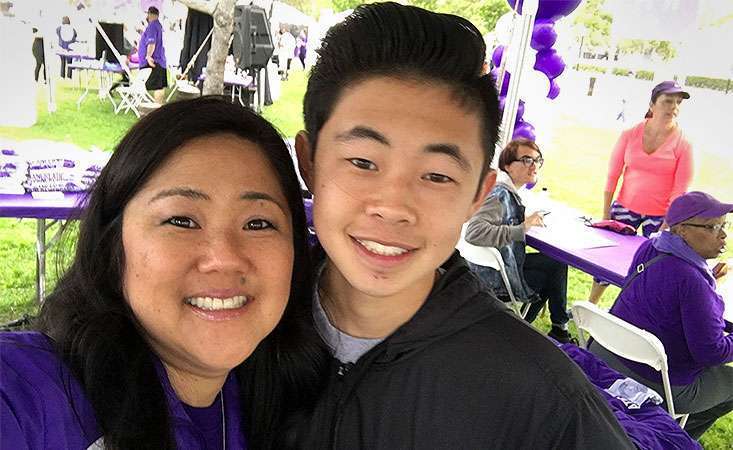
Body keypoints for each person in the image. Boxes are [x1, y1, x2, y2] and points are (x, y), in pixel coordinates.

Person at [294, 3, 634, 448]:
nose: (395, 208)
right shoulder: (239, 333)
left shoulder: (546, 409)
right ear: (309, 163)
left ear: (478, 193)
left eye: (437, 175)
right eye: (362, 162)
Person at [0, 97, 327, 449]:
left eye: (258, 223)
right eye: (181, 221)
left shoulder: (281, 405)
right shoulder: (30, 390)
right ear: (113, 241)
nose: (223, 257)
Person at [589, 191, 733, 440]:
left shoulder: (651, 248)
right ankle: (667, 438)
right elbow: (711, 353)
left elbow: (663, 288)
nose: (723, 235)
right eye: (712, 227)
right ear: (681, 230)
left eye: (725, 225)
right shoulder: (692, 282)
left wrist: (705, 278)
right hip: (655, 380)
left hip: (607, 353)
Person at [589, 80, 694, 303]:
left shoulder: (683, 144)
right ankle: (590, 305)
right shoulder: (630, 134)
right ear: (652, 104)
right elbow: (612, 175)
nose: (673, 107)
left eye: (678, 103)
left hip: (660, 217)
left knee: (648, 268)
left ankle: (630, 311)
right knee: (606, 261)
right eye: (667, 101)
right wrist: (606, 215)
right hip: (624, 208)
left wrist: (666, 226)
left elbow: (680, 191)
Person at [465, 139, 572, 343]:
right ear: (507, 165)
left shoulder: (506, 190)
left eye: (537, 160)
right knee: (552, 274)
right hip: (494, 280)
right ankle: (538, 331)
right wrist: (521, 228)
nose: (533, 166)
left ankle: (553, 328)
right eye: (526, 160)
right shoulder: (499, 194)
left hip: (494, 270)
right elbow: (475, 232)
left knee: (555, 264)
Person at [138, 6, 168, 104]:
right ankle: (160, 107)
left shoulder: (152, 26)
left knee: (157, 86)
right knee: (160, 86)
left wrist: (148, 56)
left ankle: (157, 108)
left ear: (150, 14)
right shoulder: (158, 26)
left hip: (154, 60)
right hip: (160, 60)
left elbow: (152, 43)